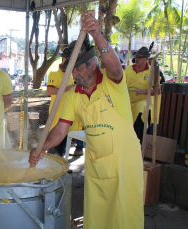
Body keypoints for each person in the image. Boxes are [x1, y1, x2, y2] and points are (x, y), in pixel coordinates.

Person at [29, 10, 144, 229]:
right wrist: (41, 147)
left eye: (78, 69)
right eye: (72, 71)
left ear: (93, 64)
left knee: (125, 218)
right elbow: (60, 130)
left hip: (124, 165)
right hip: (97, 166)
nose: (75, 75)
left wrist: (97, 35)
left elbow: (115, 67)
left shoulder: (112, 82)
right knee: (98, 219)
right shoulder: (73, 95)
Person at [47, 47, 84, 157]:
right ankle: (52, 169)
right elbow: (49, 90)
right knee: (55, 146)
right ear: (63, 59)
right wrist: (67, 88)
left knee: (64, 144)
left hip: (71, 115)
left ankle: (62, 166)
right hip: (58, 115)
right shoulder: (55, 73)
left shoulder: (74, 73)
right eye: (68, 59)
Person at [125, 47, 160, 142]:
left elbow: (157, 91)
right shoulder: (129, 69)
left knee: (142, 107)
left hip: (143, 101)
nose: (137, 59)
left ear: (146, 60)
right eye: (137, 57)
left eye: (140, 58)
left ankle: (139, 141)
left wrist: (143, 91)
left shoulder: (151, 71)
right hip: (128, 102)